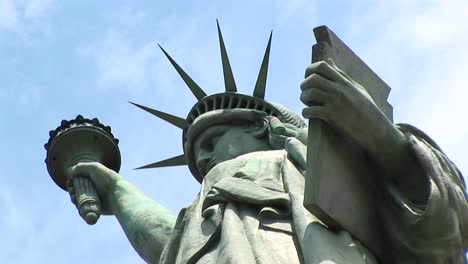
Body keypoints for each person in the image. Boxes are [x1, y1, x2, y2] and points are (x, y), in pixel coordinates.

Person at [68, 37, 468, 263]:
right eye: (197, 157)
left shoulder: (311, 159)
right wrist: (116, 190)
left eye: (210, 143)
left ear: (262, 126)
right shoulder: (203, 210)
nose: (204, 161)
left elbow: (443, 227)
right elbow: (172, 249)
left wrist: (375, 132)